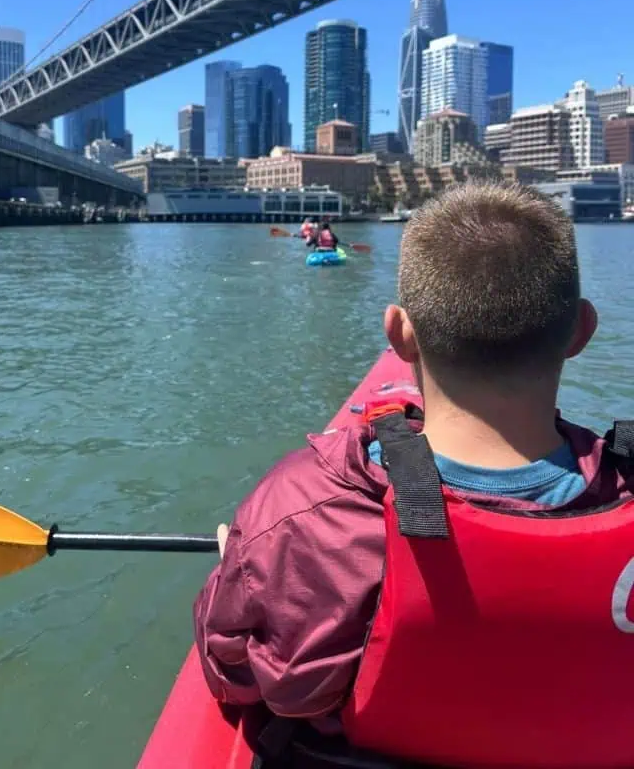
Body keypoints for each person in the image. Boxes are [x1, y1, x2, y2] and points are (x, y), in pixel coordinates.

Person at [194, 181, 634, 768]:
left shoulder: (304, 510)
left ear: (399, 333)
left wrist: (242, 565)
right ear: (581, 330)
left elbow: (238, 675)